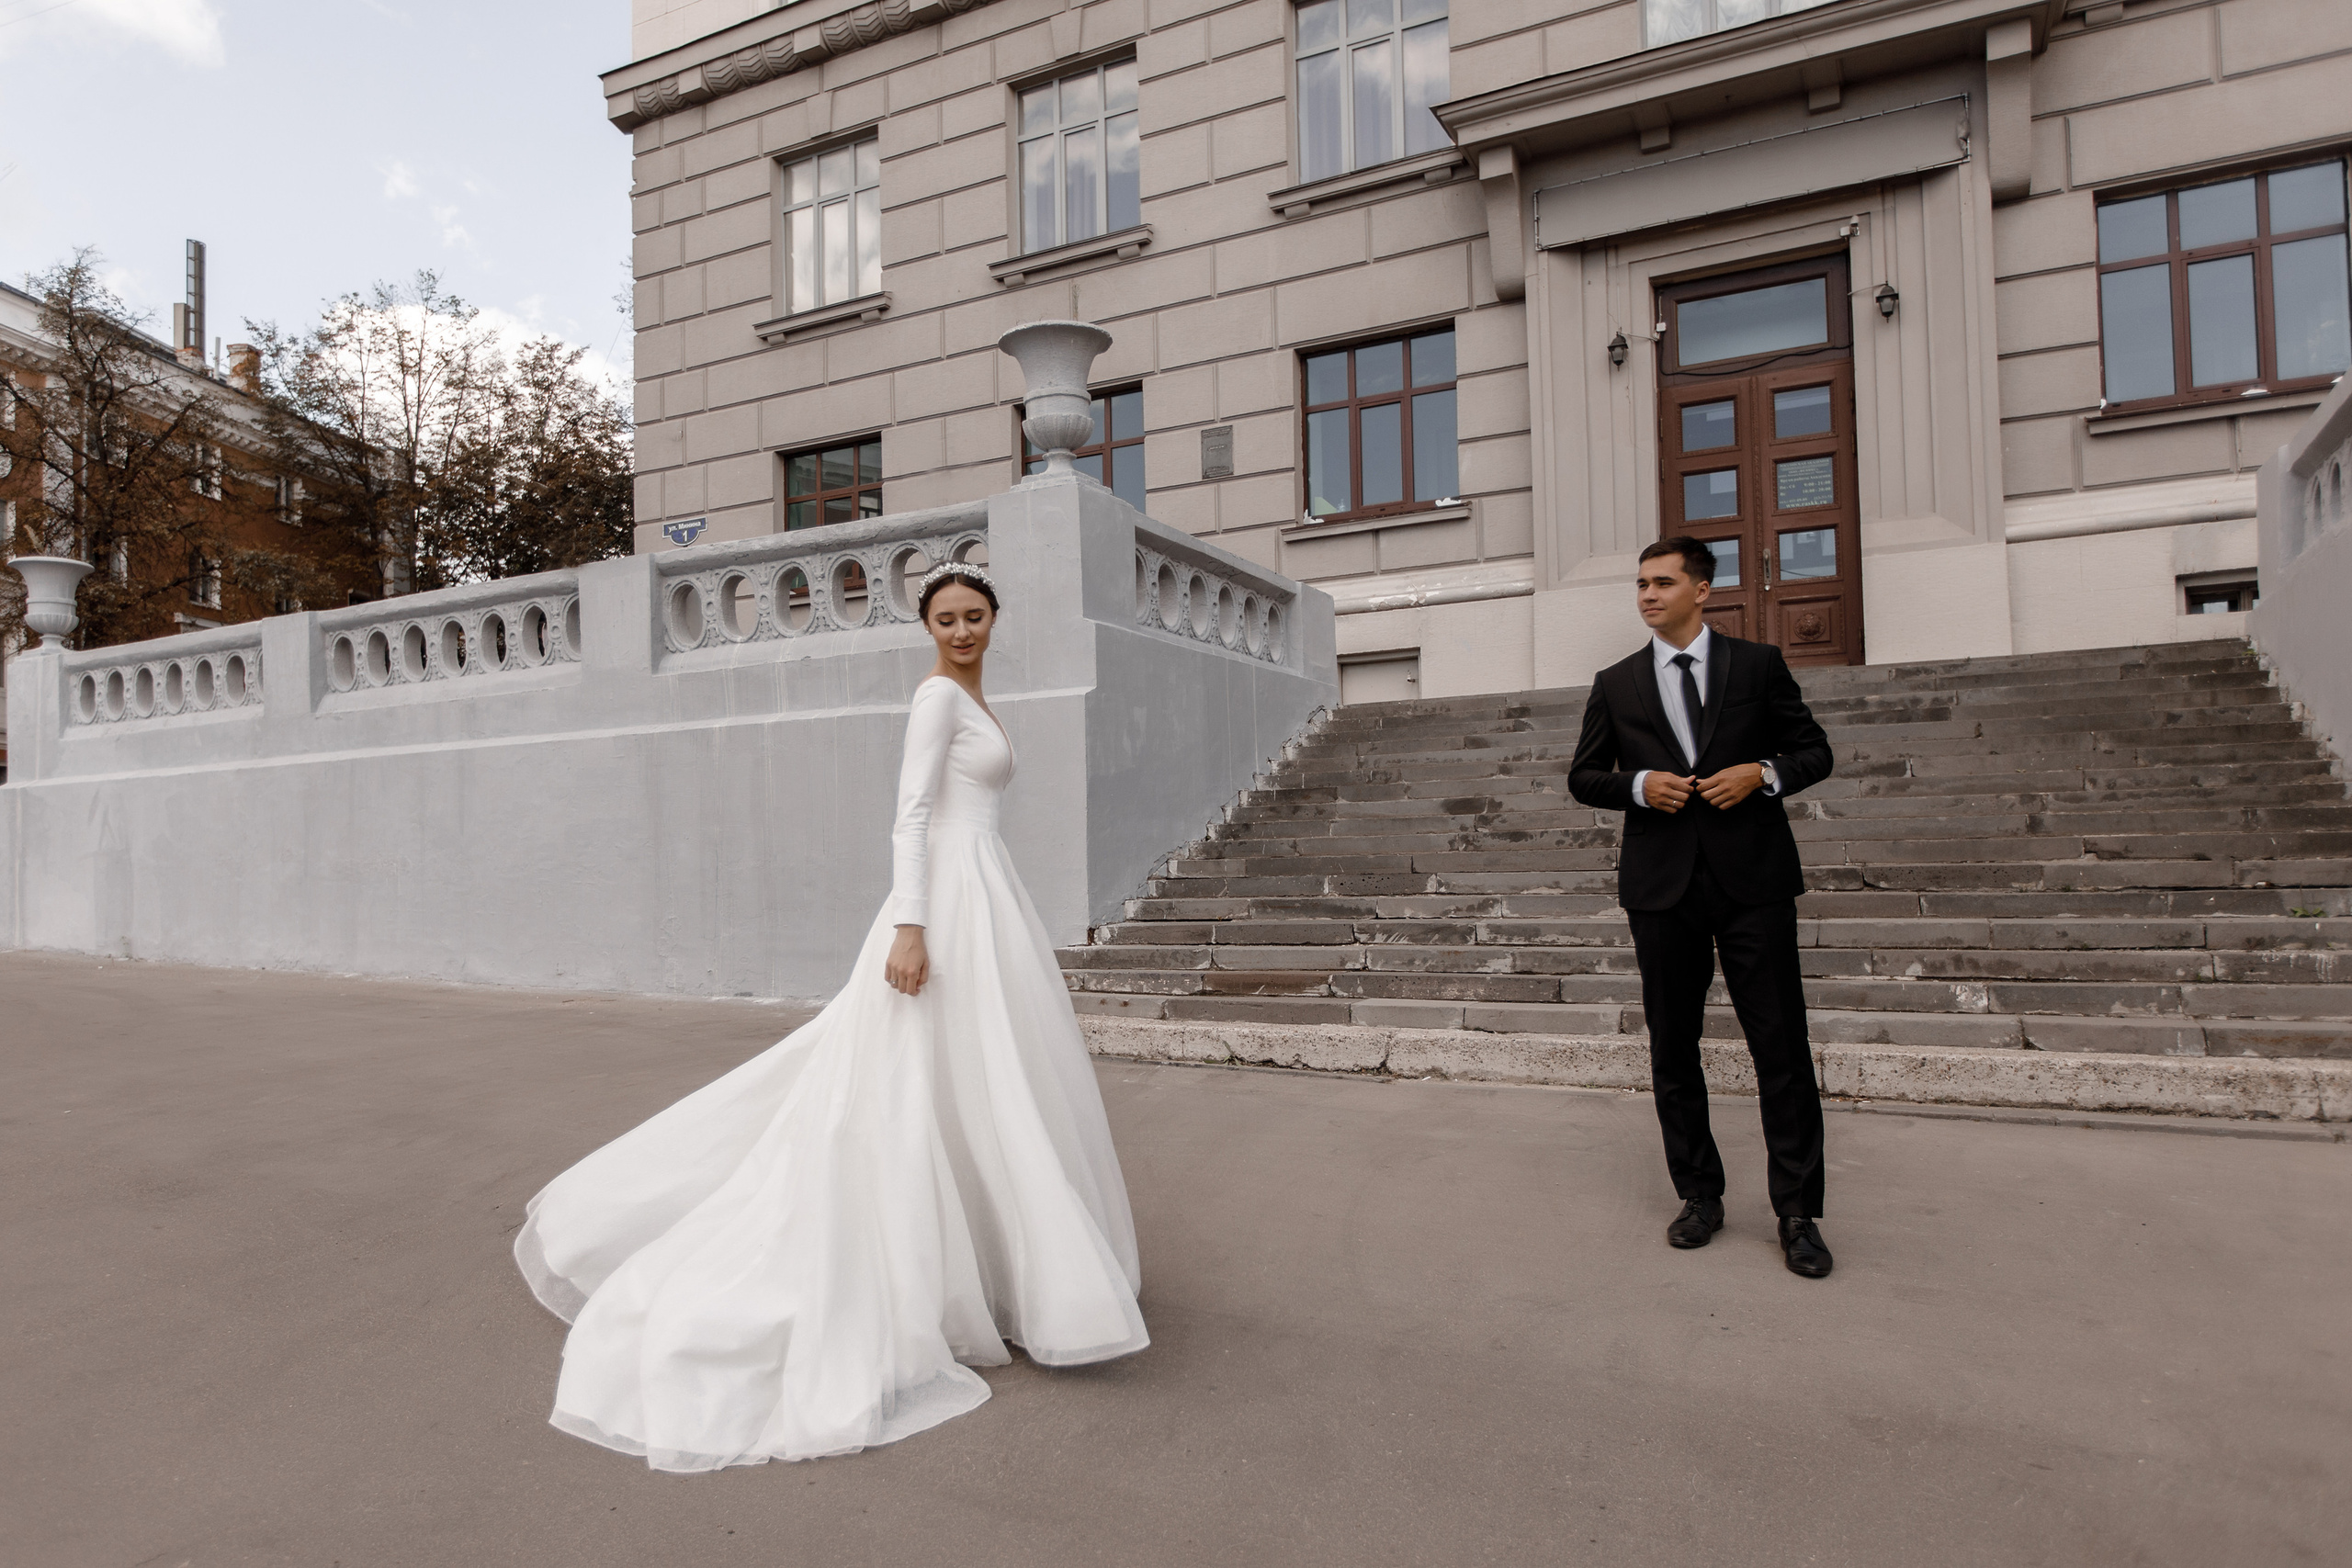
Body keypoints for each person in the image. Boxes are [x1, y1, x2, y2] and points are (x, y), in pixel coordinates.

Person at [513, 561, 1148, 1471]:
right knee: (920, 1080)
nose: (962, 631)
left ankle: (1008, 1274)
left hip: (986, 895)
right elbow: (911, 816)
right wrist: (911, 926)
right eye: (946, 619)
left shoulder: (974, 698)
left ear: (993, 622)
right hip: (941, 904)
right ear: (927, 626)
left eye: (974, 617)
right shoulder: (935, 699)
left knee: (983, 1078)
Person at [1566, 536, 1838, 1279]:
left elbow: (1815, 751)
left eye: (1663, 582)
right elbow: (1584, 775)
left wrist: (1763, 772)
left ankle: (1798, 1213)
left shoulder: (1757, 665)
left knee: (1779, 1047)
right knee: (1673, 1049)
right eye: (1642, 584)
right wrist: (1637, 784)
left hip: (1754, 881)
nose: (1648, 595)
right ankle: (1699, 1195)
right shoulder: (1616, 682)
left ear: (1702, 590)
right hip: (1663, 889)